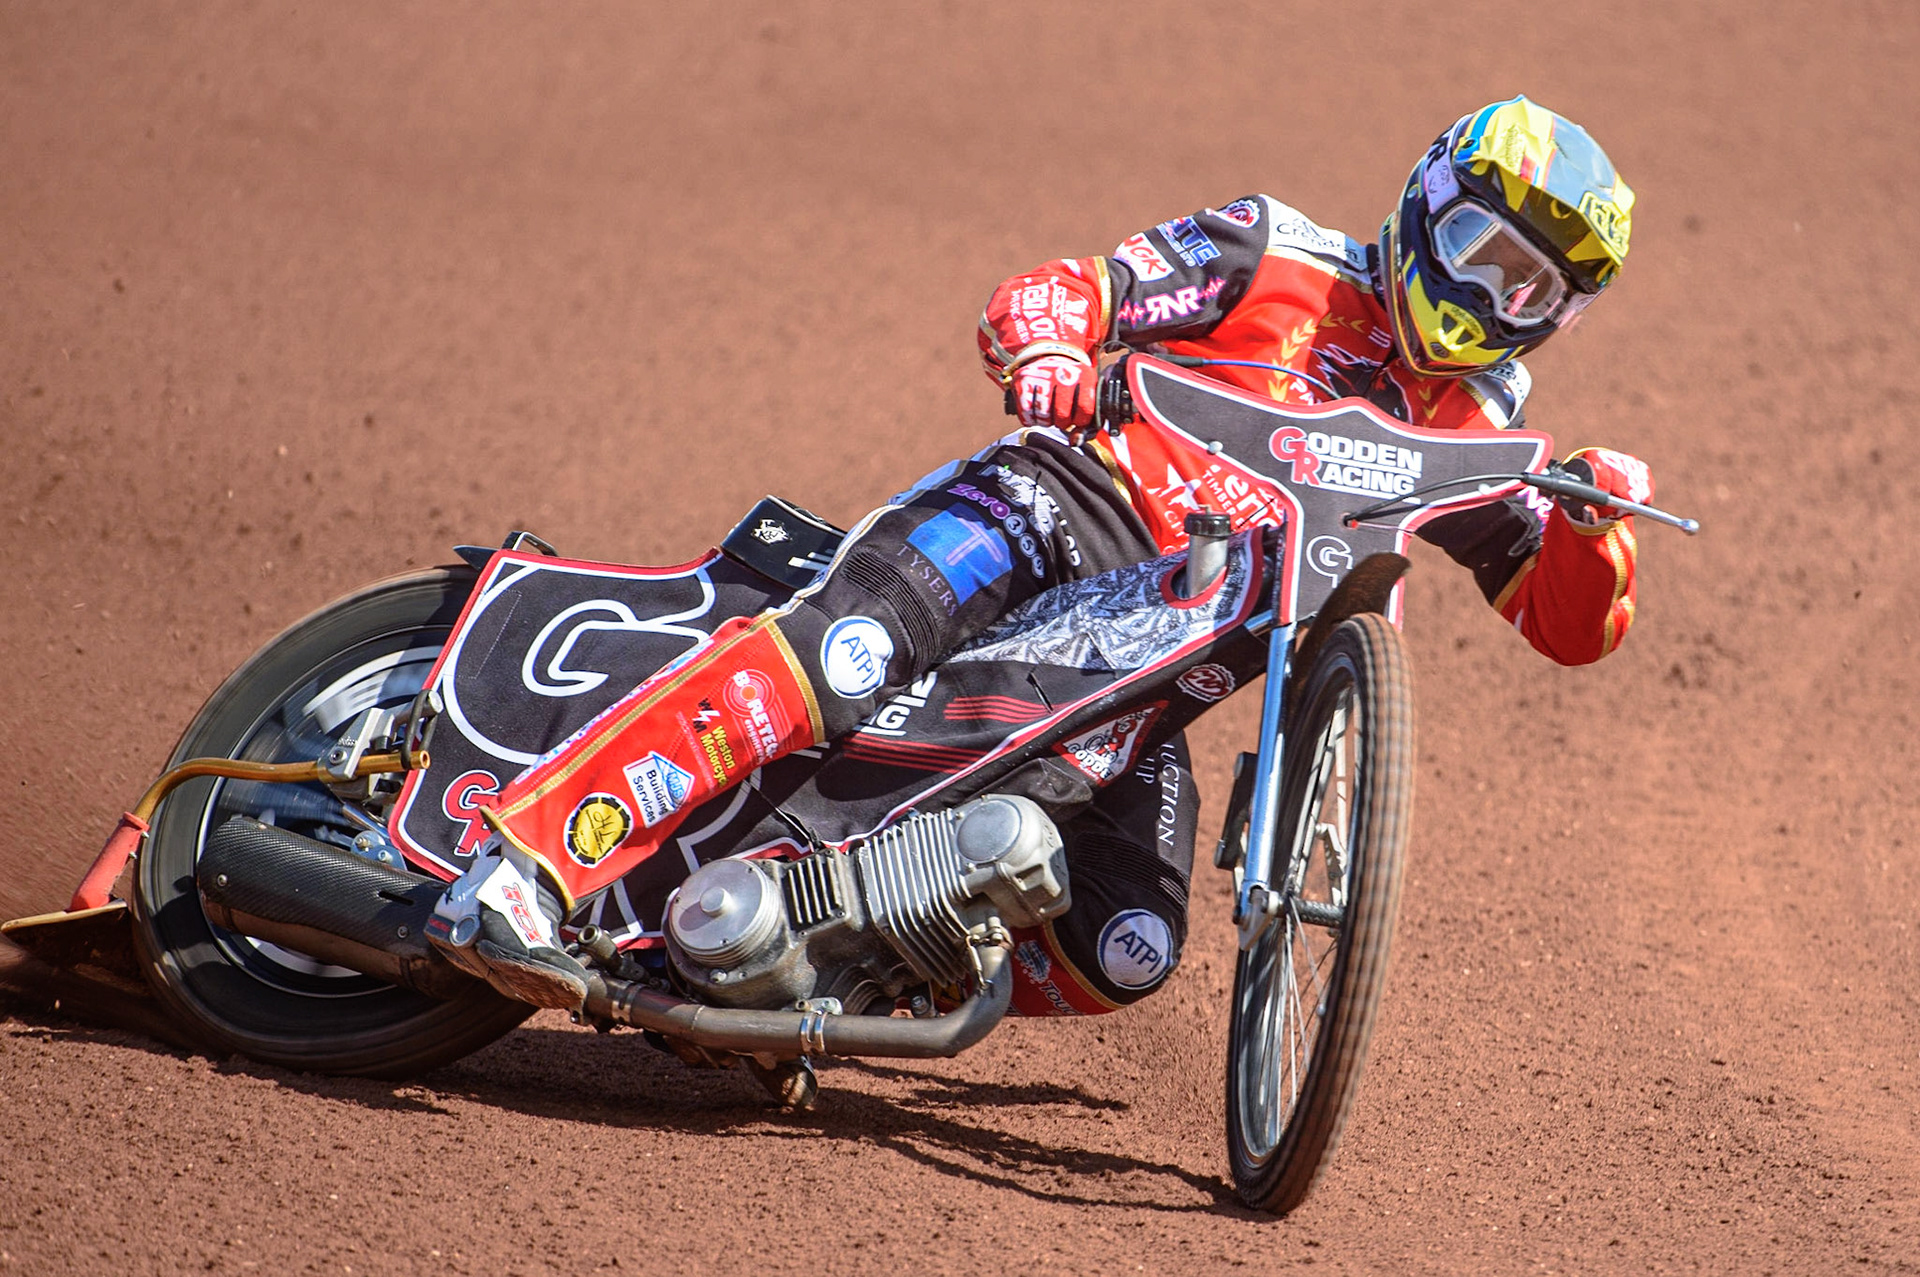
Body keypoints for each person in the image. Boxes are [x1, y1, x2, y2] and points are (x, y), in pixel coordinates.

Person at [429, 95, 1650, 1015]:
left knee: (1129, 949)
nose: (1494, 300)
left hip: (1170, 656)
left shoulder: (1473, 427)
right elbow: (1070, 290)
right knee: (839, 654)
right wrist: (1054, 354)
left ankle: (813, 965)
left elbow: (1565, 620)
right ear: (1430, 205)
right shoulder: (1278, 256)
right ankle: (527, 863)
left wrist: (1593, 527)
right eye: (1487, 254)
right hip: (1056, 509)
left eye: (1533, 294)